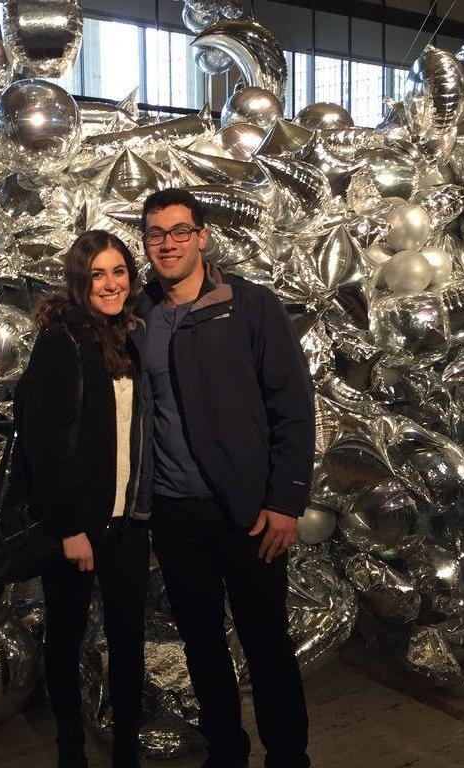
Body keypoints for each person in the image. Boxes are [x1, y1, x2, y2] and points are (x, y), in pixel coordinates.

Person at [136, 188, 315, 768]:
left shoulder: (249, 305)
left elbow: (292, 405)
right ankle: (226, 752)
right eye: (156, 233)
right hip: (174, 513)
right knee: (202, 644)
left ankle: (288, 756)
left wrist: (285, 501)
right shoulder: (139, 317)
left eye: (179, 231)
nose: (168, 244)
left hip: (249, 510)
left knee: (266, 643)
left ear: (202, 236)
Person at [20, 230, 153, 768]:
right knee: (66, 636)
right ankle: (70, 746)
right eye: (97, 274)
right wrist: (69, 528)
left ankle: (125, 747)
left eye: (119, 271)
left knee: (128, 639)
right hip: (77, 524)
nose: (110, 284)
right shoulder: (63, 340)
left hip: (128, 521)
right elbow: (43, 442)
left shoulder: (133, 337)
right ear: (80, 281)